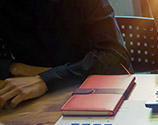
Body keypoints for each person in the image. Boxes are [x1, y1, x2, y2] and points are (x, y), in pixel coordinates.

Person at [0, 0, 132, 110]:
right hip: (29, 100)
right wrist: (14, 68)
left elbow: (116, 58)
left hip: (95, 96)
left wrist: (46, 79)